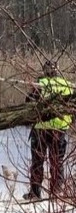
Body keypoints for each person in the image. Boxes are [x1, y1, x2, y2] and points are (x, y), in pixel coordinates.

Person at [24, 60, 74, 200]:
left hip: (41, 129)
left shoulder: (40, 85)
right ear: (57, 70)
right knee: (57, 161)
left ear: (44, 70)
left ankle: (35, 192)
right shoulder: (66, 85)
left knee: (37, 162)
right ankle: (56, 191)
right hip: (60, 128)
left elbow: (29, 105)